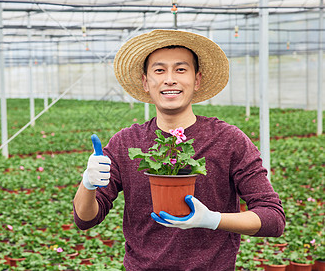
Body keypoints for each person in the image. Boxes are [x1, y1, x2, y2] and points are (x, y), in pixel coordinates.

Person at [73, 30, 285, 270]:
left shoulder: (228, 140)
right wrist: (88, 185)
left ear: (197, 80)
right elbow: (85, 219)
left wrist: (213, 220)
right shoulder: (125, 142)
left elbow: (273, 218)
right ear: (145, 82)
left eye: (181, 69)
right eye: (159, 70)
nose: (170, 79)